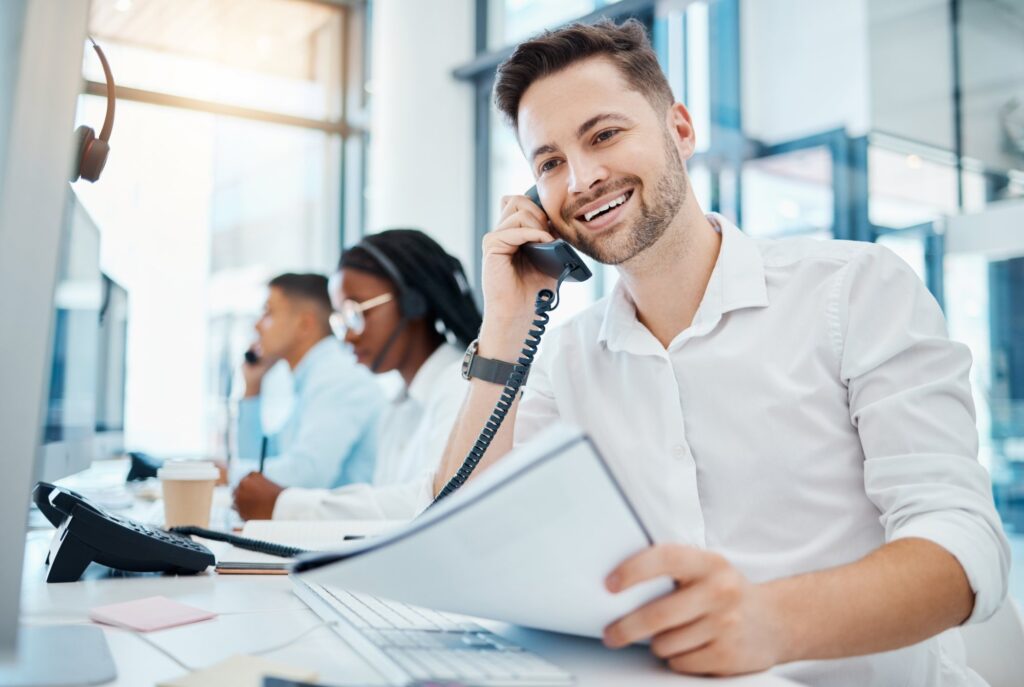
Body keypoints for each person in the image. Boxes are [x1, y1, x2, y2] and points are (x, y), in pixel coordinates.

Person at [431, 19, 1010, 686]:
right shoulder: (564, 361)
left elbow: (964, 539)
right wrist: (505, 326)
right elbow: (459, 546)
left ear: (680, 130)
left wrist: (772, 621)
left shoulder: (855, 290)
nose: (583, 177)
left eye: (604, 135)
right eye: (551, 163)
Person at [233, 230, 481, 521]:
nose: (347, 336)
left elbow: (433, 502)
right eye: (342, 320)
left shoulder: (461, 385)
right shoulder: (398, 406)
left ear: (412, 302)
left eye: (356, 313)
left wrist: (285, 506)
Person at [236, 273, 383, 490]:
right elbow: (260, 461)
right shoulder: (311, 378)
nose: (257, 326)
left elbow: (307, 476)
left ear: (305, 324)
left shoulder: (338, 378)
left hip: (344, 523)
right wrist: (252, 388)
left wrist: (227, 474)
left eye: (268, 312)